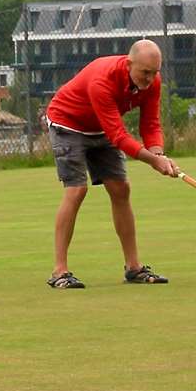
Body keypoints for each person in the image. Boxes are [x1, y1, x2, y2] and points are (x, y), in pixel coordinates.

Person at [43, 39, 180, 289]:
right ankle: (59, 271)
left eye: (154, 73)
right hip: (68, 124)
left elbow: (150, 124)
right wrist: (152, 162)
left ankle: (134, 267)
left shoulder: (152, 84)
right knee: (76, 190)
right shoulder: (102, 80)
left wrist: (159, 154)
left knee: (121, 189)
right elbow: (118, 136)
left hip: (101, 128)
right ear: (129, 64)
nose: (149, 79)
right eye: (145, 72)